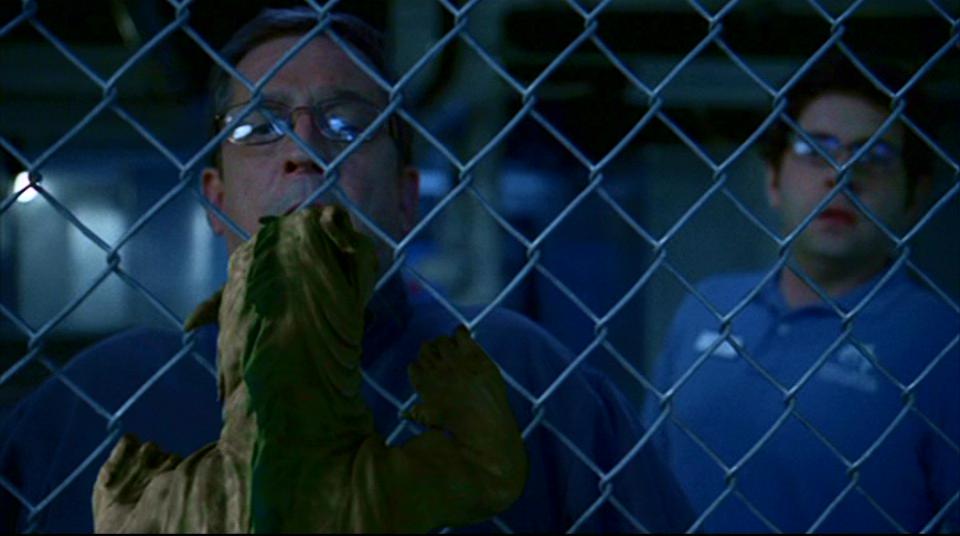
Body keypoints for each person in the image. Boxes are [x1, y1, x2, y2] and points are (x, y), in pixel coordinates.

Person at [0, 8, 694, 533]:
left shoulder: (523, 376)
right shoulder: (102, 397)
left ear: (405, 198)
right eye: (258, 128)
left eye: (347, 126)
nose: (304, 150)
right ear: (216, 199)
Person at [642, 54, 959, 533]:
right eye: (814, 149)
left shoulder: (940, 341)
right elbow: (644, 481)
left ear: (915, 196)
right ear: (773, 180)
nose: (841, 174)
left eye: (875, 156)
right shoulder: (708, 306)